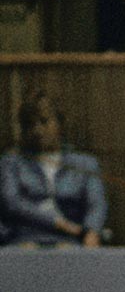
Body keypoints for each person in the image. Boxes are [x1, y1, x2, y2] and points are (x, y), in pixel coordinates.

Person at [0, 93, 108, 249]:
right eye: (29, 124)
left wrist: (92, 232)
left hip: (71, 241)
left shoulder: (85, 163)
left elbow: (96, 204)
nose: (37, 130)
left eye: (44, 122)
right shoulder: (11, 162)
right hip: (22, 239)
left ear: (60, 123)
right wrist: (58, 223)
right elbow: (12, 204)